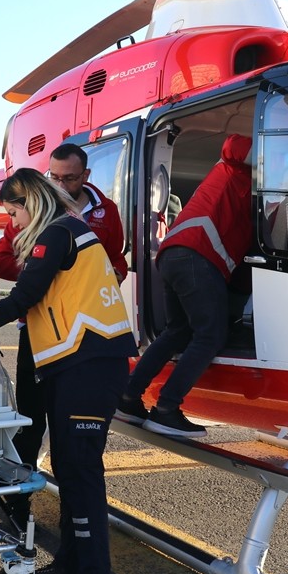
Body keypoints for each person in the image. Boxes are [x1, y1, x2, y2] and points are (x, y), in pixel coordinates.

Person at [0, 169, 135, 574]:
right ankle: (71, 563)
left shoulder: (58, 233)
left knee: (80, 469)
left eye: (13, 213)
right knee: (68, 468)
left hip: (90, 364)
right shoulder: (67, 230)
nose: (12, 223)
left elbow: (25, 295)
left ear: (29, 202)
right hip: (77, 364)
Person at [0, 143, 127, 527]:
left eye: (70, 177)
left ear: (86, 176)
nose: (62, 183)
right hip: (43, 335)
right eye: (55, 177)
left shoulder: (98, 214)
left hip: (80, 345)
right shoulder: (37, 220)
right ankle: (19, 505)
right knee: (32, 423)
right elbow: (1, 262)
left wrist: (97, 273)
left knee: (74, 453)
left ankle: (79, 539)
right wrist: (41, 270)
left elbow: (114, 258)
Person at [116, 134, 253, 438]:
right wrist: (276, 151)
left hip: (176, 253)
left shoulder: (245, 188)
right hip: (196, 255)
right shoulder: (236, 166)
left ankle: (127, 397)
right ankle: (166, 409)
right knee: (210, 336)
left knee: (177, 332)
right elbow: (233, 144)